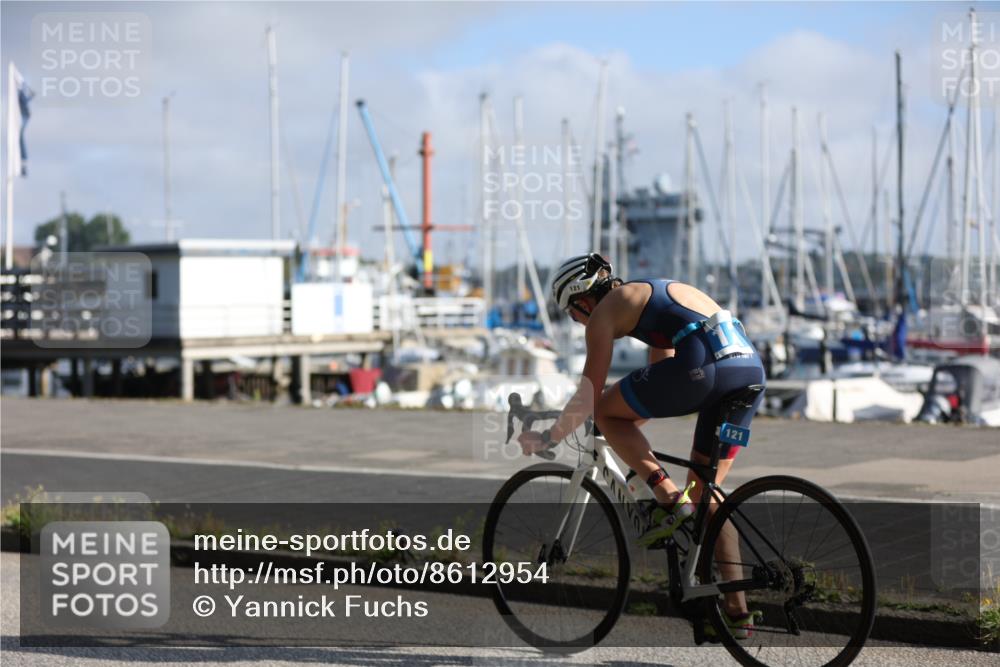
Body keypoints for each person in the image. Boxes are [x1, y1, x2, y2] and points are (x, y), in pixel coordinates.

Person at [517, 252, 766, 638]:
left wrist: (549, 437)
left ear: (582, 300)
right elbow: (659, 379)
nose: (576, 321)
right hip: (748, 369)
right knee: (707, 496)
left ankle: (667, 498)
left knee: (603, 412)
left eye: (571, 313)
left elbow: (588, 397)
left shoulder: (604, 313)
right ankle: (737, 614)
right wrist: (623, 425)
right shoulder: (652, 295)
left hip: (708, 367)